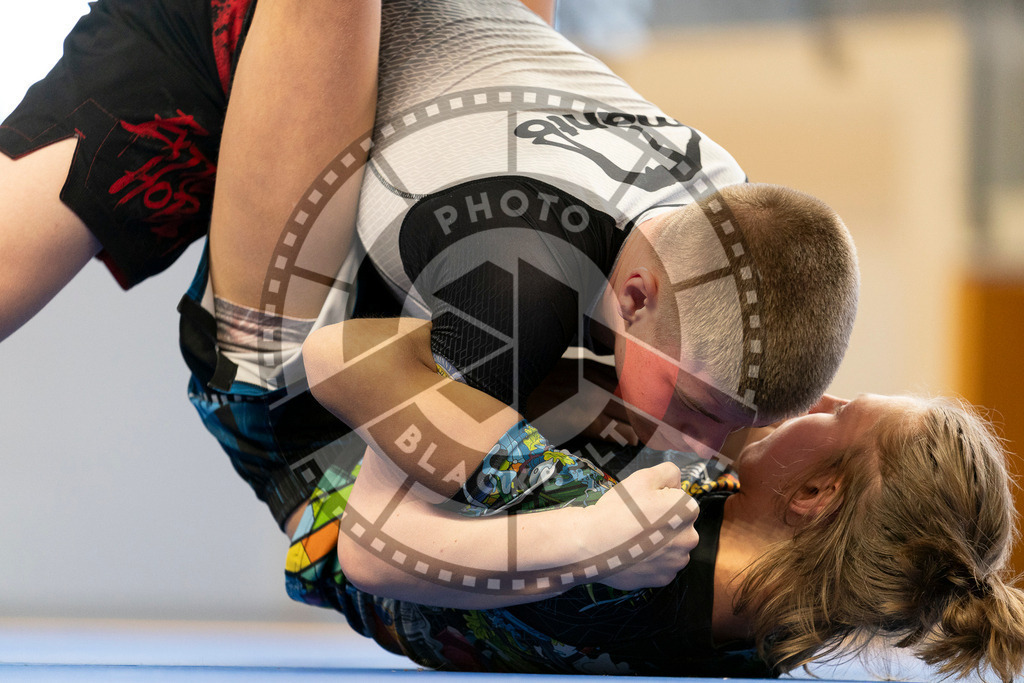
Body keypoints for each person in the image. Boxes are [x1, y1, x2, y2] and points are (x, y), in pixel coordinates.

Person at [289, 316, 1024, 681]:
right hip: (385, 552)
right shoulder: (772, 624)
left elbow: (339, 358)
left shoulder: (613, 526)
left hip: (299, 455)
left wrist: (512, 333)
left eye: (837, 412)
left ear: (815, 493)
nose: (816, 398)